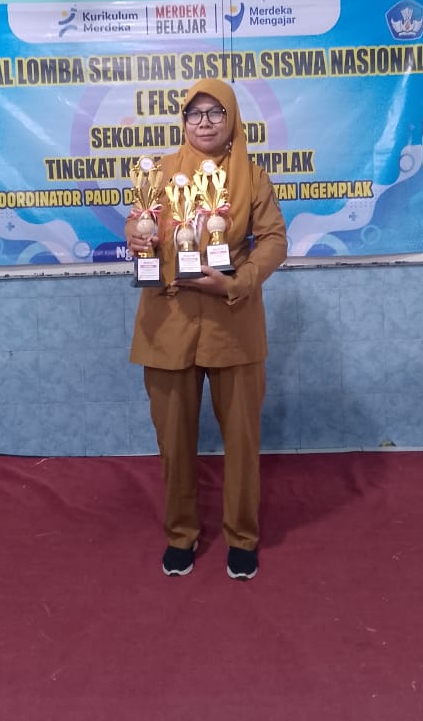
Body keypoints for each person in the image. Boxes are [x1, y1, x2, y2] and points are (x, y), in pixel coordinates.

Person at [126, 78, 287, 581]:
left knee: (241, 439)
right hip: (167, 323)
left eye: (216, 112)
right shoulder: (159, 172)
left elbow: (274, 240)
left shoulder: (253, 177)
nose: (205, 122)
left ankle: (242, 537)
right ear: (183, 120)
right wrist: (136, 236)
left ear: (232, 118)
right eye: (194, 113)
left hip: (232, 324)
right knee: (174, 441)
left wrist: (238, 281)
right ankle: (181, 534)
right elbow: (140, 222)